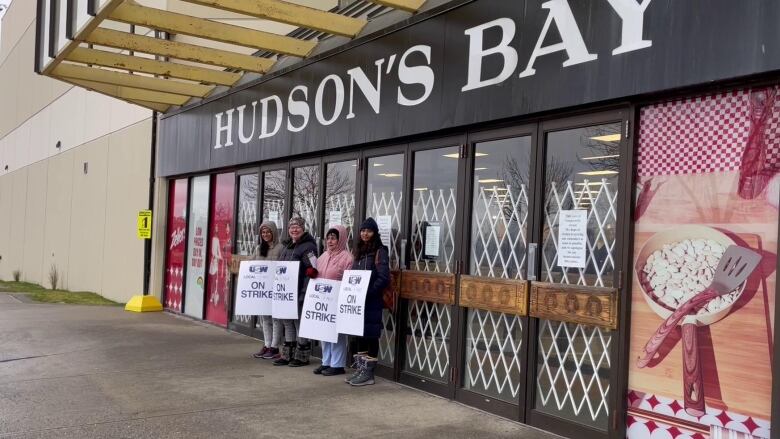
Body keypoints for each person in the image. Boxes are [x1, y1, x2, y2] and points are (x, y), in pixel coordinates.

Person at [347, 217, 390, 386]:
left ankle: (369, 374)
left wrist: (370, 291)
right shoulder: (359, 251)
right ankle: (361, 369)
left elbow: (383, 277)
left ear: (375, 233)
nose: (365, 234)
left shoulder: (380, 251)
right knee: (360, 335)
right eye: (363, 230)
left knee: (371, 335)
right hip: (358, 302)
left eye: (369, 231)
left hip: (372, 301)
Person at [274, 217, 318, 367]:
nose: (294, 230)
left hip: (298, 290)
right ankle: (287, 354)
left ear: (303, 228)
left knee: (298, 322)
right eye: (291, 227)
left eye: (297, 227)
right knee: (287, 322)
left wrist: (304, 292)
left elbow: (312, 270)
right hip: (285, 292)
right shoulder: (288, 246)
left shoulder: (308, 247)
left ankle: (302, 355)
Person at [310, 225, 354, 376]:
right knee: (324, 333)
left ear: (341, 239)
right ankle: (326, 361)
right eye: (328, 238)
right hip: (323, 301)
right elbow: (317, 275)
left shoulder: (347, 258)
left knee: (337, 335)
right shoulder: (322, 256)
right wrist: (312, 273)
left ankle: (338, 364)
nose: (330, 241)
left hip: (337, 300)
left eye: (333, 238)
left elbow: (349, 281)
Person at [251, 221, 284, 360]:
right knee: (265, 319)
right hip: (263, 291)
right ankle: (267, 344)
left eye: (268, 232)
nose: (265, 235)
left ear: (274, 232)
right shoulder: (259, 248)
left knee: (276, 319)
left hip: (275, 289)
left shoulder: (281, 248)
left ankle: (275, 347)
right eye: (263, 232)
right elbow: (252, 264)